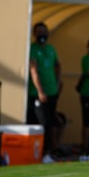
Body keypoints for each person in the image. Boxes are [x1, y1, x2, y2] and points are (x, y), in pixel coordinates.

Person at [27, 22, 61, 164]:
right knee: (42, 123)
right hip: (38, 94)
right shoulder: (33, 49)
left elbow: (58, 65)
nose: (42, 34)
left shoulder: (51, 49)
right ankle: (41, 153)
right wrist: (40, 91)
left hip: (52, 92)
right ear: (35, 34)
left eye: (44, 31)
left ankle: (51, 152)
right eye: (39, 32)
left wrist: (57, 83)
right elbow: (33, 71)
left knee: (52, 122)